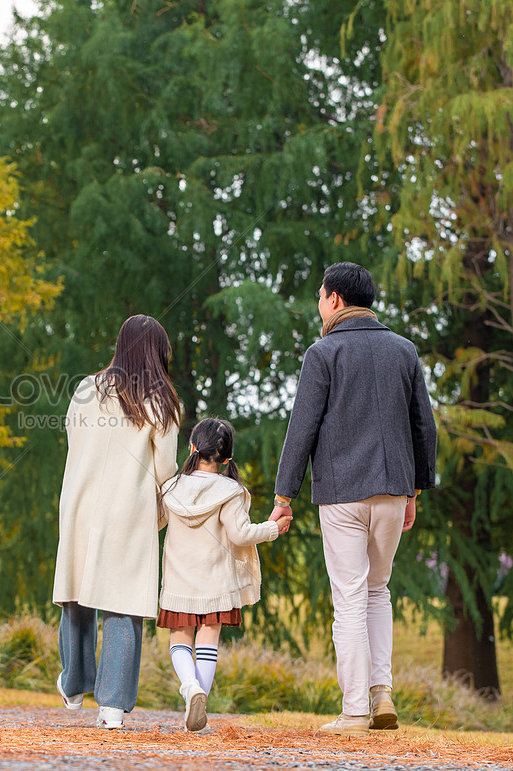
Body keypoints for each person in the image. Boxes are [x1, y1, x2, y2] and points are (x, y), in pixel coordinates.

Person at [270, 262, 436, 736]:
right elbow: (425, 426)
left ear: (336, 300)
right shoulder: (404, 350)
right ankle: (382, 692)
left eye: (320, 296)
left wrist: (285, 495)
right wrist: (415, 489)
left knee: (348, 598)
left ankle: (355, 712)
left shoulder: (323, 353)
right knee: (377, 590)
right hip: (393, 490)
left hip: (342, 493)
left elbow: (302, 427)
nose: (318, 304)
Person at [52, 314, 181, 730]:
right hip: (128, 508)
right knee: (123, 605)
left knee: (76, 594)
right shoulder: (162, 402)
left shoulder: (86, 389)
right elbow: (165, 470)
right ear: (158, 353)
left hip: (80, 502)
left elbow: (73, 439)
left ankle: (74, 684)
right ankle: (111, 706)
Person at [158, 418, 290, 732]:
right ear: (227, 459)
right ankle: (198, 701)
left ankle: (190, 688)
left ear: (192, 448)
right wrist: (275, 528)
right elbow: (241, 534)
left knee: (179, 640)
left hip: (178, 581)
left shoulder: (170, 487)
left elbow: (157, 522)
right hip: (215, 582)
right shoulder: (231, 491)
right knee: (207, 642)